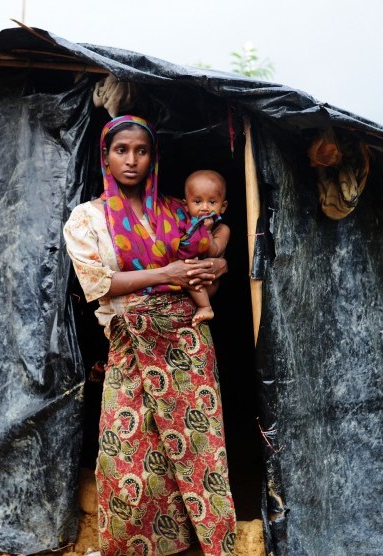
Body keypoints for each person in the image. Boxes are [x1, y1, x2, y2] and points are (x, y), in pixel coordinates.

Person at [63, 115, 237, 556]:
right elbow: (97, 284)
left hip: (186, 343)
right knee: (125, 458)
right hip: (130, 342)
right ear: (105, 156)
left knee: (197, 453)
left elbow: (207, 276)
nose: (132, 160)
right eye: (121, 150)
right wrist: (167, 272)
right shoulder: (88, 219)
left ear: (153, 157)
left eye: (142, 151)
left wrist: (216, 267)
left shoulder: (180, 210)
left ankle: (207, 546)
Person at [182, 170, 230, 326]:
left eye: (212, 202)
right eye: (197, 202)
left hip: (208, 284)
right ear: (186, 206)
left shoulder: (222, 230)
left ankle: (205, 307)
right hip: (188, 283)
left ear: (223, 207)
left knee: (192, 270)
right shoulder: (186, 227)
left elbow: (214, 251)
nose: (205, 208)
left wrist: (207, 231)